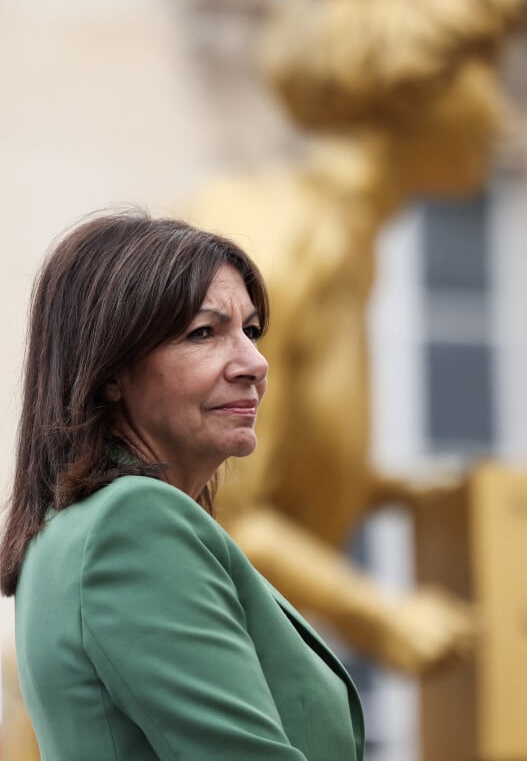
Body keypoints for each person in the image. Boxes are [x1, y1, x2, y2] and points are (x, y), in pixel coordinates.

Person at [0, 211, 365, 761]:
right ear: (110, 374)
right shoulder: (132, 524)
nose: (255, 363)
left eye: (251, 330)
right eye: (204, 333)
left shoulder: (77, 529)